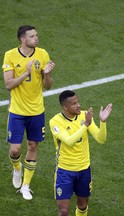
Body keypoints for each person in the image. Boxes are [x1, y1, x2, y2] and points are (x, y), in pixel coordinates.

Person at [2, 25, 55, 200]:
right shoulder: (10, 55)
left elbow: (48, 86)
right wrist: (26, 72)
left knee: (33, 146)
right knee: (15, 150)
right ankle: (17, 169)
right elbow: (9, 84)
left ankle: (26, 185)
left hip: (37, 111)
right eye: (32, 36)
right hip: (17, 111)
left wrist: (46, 74)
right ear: (22, 39)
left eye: (37, 35)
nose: (36, 39)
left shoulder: (43, 54)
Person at [49, 90, 112, 216]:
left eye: (78, 102)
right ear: (65, 107)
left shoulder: (84, 116)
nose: (78, 105)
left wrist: (103, 122)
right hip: (64, 171)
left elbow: (101, 139)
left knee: (82, 206)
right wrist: (85, 125)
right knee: (63, 212)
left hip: (84, 170)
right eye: (74, 103)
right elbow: (69, 141)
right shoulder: (55, 121)